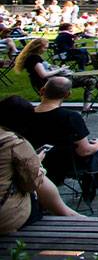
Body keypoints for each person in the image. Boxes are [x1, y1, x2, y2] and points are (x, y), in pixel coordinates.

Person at [25, 77, 98, 195]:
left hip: (35, 160)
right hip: (66, 164)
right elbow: (84, 151)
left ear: (42, 90)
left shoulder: (25, 114)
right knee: (95, 147)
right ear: (68, 95)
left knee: (87, 146)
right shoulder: (70, 117)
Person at [0, 95, 84, 233]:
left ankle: (66, 212)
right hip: (6, 218)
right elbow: (30, 184)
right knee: (38, 177)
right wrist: (37, 163)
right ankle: (66, 213)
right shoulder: (14, 144)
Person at [15, 39, 98, 114]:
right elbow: (43, 74)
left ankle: (88, 105)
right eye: (45, 48)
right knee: (90, 78)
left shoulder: (34, 57)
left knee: (91, 80)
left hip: (53, 80)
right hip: (51, 83)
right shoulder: (34, 59)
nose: (46, 50)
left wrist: (56, 68)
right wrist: (59, 70)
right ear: (38, 47)